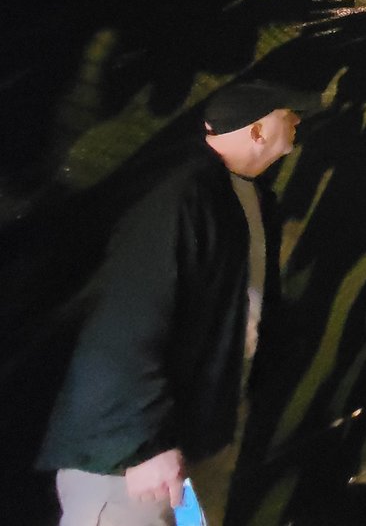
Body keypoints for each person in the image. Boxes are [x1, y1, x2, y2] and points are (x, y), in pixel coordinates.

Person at [37, 80, 313, 526]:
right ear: (257, 130)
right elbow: (124, 323)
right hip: (134, 467)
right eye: (289, 113)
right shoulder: (180, 197)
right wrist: (142, 445)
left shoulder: (249, 199)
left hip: (194, 449)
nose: (299, 121)